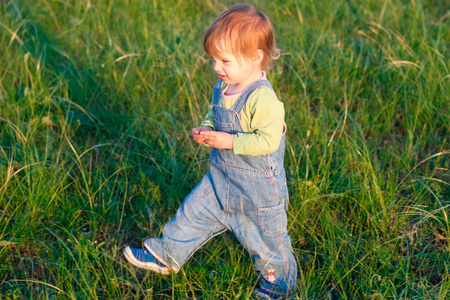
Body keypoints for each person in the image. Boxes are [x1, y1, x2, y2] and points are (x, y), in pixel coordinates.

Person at [123, 4, 297, 299]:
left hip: (259, 193)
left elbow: (268, 141)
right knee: (192, 212)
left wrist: (228, 142)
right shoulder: (224, 86)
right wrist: (205, 129)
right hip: (221, 180)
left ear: (255, 58)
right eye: (214, 59)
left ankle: (278, 283)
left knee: (267, 239)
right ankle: (167, 253)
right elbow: (213, 113)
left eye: (225, 60)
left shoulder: (263, 99)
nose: (217, 67)